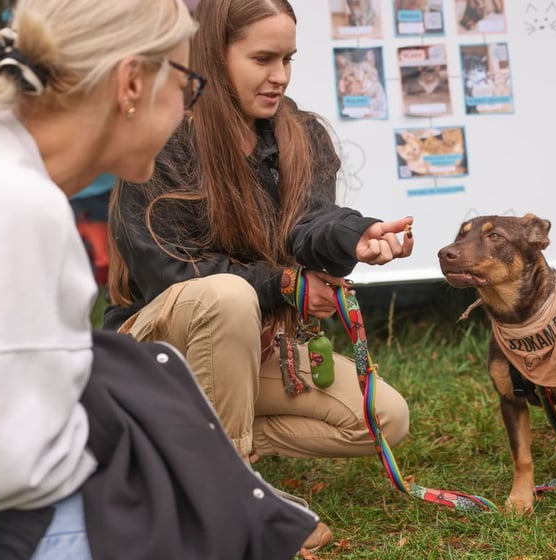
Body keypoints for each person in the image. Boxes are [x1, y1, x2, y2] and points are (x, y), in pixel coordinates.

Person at [0, 1, 317, 559]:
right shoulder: (21, 207)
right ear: (131, 83)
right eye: (188, 85)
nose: (192, 109)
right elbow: (14, 465)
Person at [104, 0, 415, 550]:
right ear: (212, 53)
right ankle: (230, 503)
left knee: (384, 419)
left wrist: (354, 236)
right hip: (154, 348)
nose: (280, 76)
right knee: (225, 297)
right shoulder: (165, 133)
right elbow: (168, 272)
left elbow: (310, 224)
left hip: (253, 346)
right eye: (262, 58)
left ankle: (176, 452)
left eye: (288, 59)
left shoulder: (302, 135)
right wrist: (285, 286)